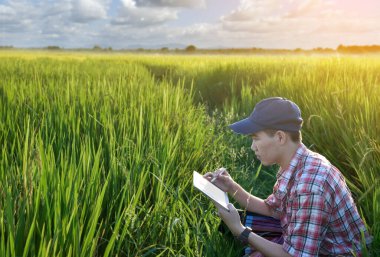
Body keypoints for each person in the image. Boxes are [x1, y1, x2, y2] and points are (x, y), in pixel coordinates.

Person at [204, 97, 372, 257]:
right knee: (244, 221)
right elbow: (273, 209)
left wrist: (239, 230)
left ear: (280, 137)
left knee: (243, 228)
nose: (252, 147)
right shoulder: (297, 162)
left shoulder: (309, 186)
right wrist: (231, 187)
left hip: (335, 253)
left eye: (255, 138)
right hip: (308, 238)